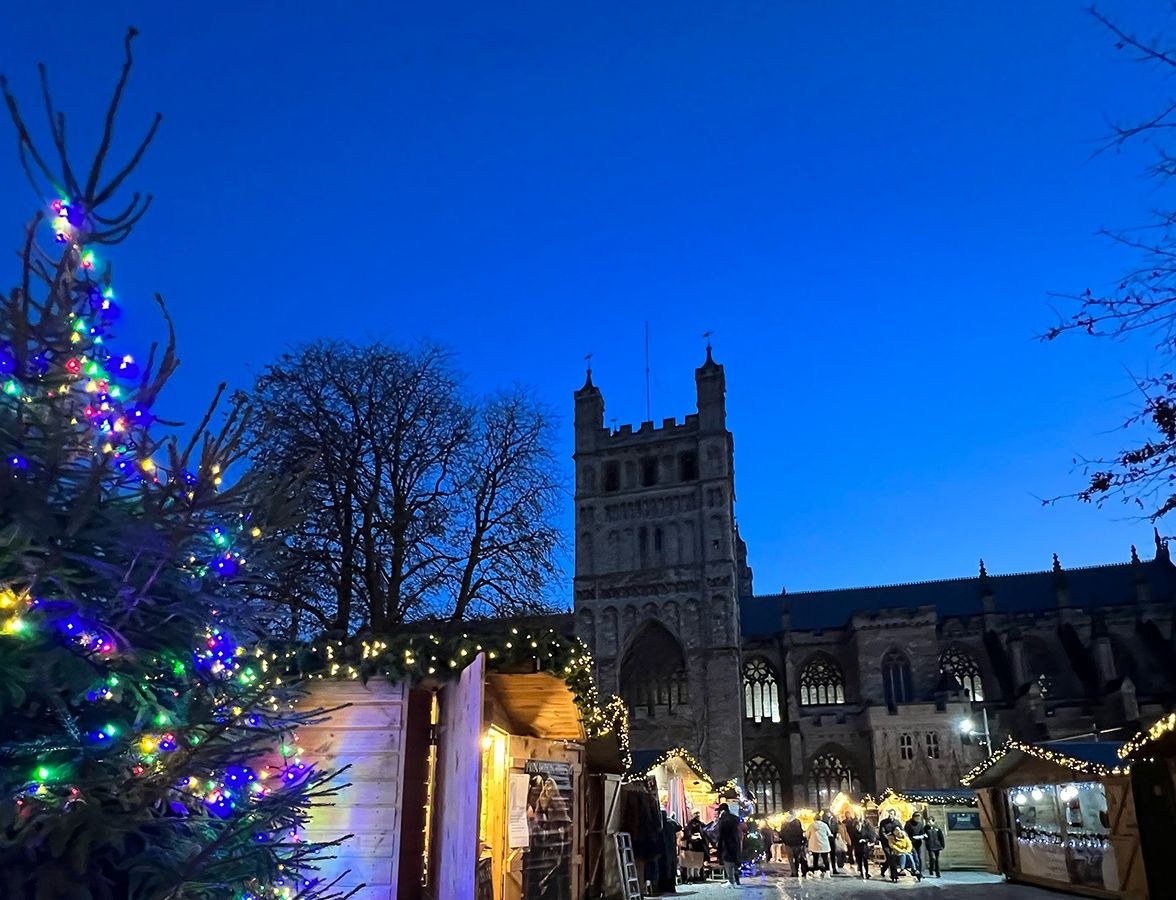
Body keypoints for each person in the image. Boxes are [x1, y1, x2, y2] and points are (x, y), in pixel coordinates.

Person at [716, 806, 742, 888]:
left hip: (726, 843)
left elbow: (720, 832)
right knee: (734, 861)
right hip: (735, 842)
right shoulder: (735, 818)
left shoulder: (723, 819)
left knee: (727, 861)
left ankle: (731, 881)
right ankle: (736, 881)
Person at [780, 813, 808, 878]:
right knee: (797, 858)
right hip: (797, 843)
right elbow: (800, 832)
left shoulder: (784, 823)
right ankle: (797, 870)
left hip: (788, 844)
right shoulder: (798, 822)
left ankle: (794, 872)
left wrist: (784, 841)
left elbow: (781, 834)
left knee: (790, 859)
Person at [877, 808, 900, 880]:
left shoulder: (897, 822)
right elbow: (882, 832)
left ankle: (884, 869)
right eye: (889, 813)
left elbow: (901, 831)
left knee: (892, 858)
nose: (890, 815)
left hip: (894, 842)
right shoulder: (883, 822)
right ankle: (894, 875)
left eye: (892, 814)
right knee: (889, 856)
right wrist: (887, 837)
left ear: (894, 815)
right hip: (885, 843)